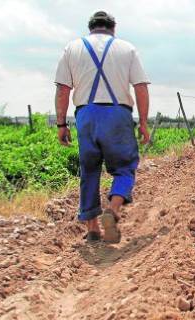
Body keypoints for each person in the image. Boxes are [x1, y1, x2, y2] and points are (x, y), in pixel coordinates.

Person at [54, 11, 151, 243]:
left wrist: (61, 124)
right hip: (117, 114)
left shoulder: (72, 48)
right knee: (125, 168)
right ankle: (114, 209)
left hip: (86, 114)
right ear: (112, 28)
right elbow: (140, 87)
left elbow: (62, 90)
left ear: (91, 28)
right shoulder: (127, 49)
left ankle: (93, 228)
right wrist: (144, 123)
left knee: (89, 171)